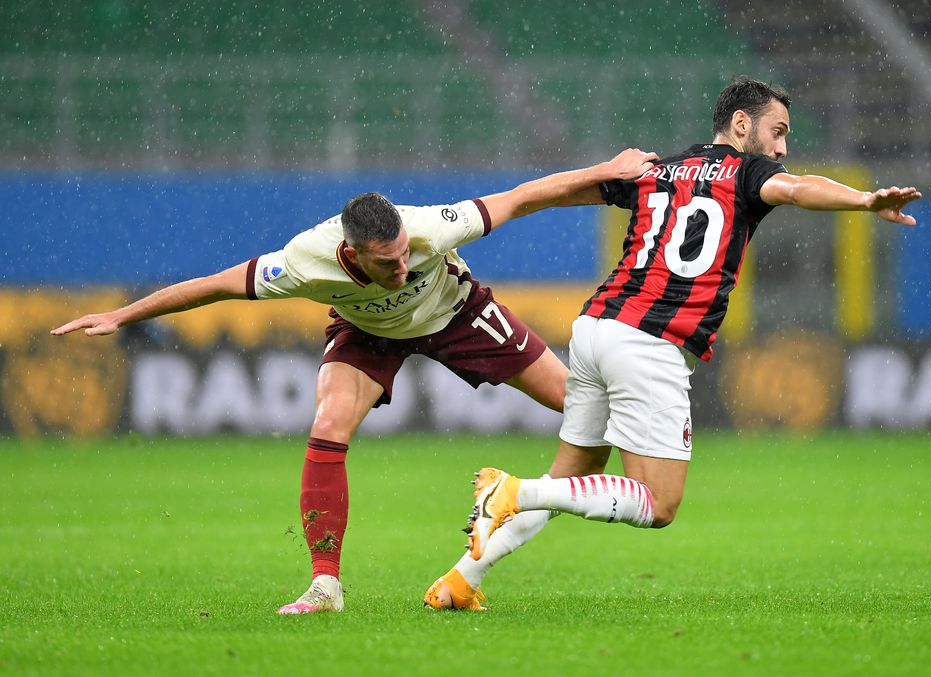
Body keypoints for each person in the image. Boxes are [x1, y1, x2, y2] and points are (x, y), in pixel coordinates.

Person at [49, 148, 660, 614]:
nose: (400, 266)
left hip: (458, 313)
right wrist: (121, 316)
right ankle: (324, 584)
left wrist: (609, 172)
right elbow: (210, 285)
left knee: (584, 413)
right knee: (329, 424)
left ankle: (485, 551)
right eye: (386, 261)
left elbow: (526, 196)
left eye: (404, 255)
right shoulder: (303, 260)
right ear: (352, 253)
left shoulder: (432, 227)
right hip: (366, 331)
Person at [423, 78, 921, 611]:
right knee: (658, 503)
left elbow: (557, 193)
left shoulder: (654, 170)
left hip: (595, 327)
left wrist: (508, 203)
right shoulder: (750, 173)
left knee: (575, 471)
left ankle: (460, 579)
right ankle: (513, 492)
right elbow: (799, 189)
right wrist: (865, 200)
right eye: (777, 133)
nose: (781, 149)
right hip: (648, 340)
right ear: (740, 124)